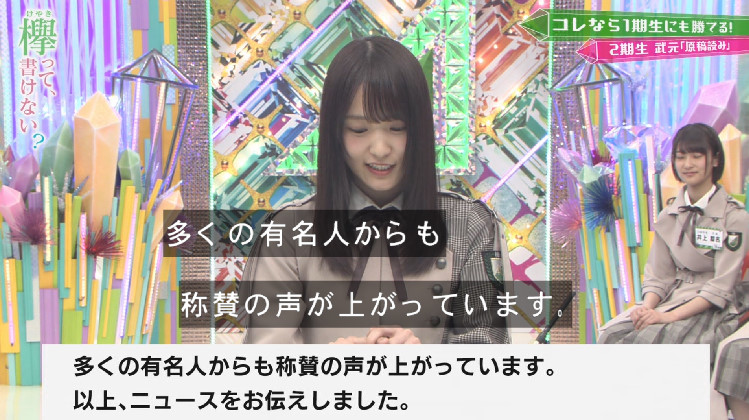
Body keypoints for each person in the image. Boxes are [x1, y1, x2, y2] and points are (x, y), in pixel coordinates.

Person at [241, 36, 512, 344]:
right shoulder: (287, 231)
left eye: (397, 128)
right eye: (359, 129)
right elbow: (264, 358)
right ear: (334, 132)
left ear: (420, 131)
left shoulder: (470, 224)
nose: (381, 149)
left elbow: (489, 348)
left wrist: (422, 361)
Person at [598, 123, 749, 390]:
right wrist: (648, 308)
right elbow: (659, 274)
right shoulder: (668, 215)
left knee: (655, 341)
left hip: (713, 306)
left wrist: (668, 317)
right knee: (610, 336)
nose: (687, 164)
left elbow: (722, 286)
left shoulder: (734, 216)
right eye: (681, 156)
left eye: (696, 156)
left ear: (715, 159)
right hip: (672, 297)